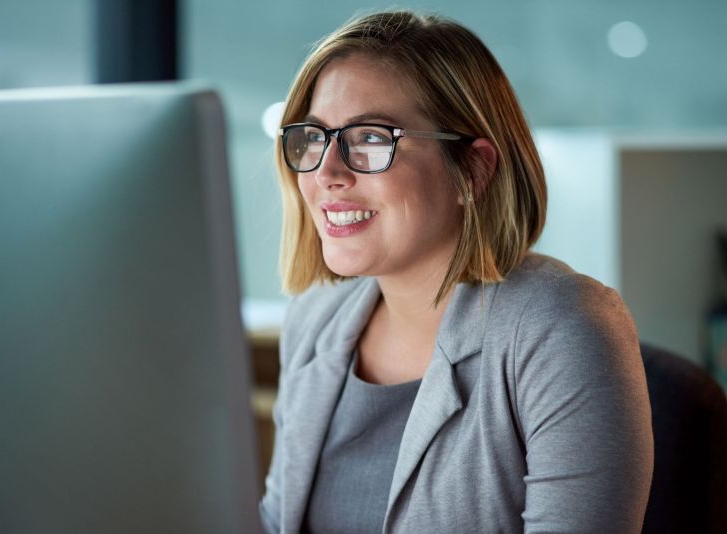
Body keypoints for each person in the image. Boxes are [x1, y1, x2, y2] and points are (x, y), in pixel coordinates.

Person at [259, 10, 653, 534]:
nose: (326, 172)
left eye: (371, 138)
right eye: (314, 137)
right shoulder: (314, 323)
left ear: (472, 169)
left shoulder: (564, 329)